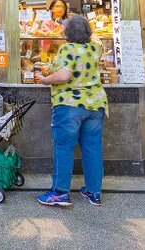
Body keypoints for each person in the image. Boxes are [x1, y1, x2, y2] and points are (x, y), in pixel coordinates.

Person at [34, 15, 107, 207]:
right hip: (95, 104)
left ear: (67, 33)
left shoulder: (67, 49)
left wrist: (44, 80)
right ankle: (93, 192)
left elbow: (64, 75)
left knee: (64, 148)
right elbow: (98, 40)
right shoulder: (95, 48)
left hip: (70, 105)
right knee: (92, 149)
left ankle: (60, 193)